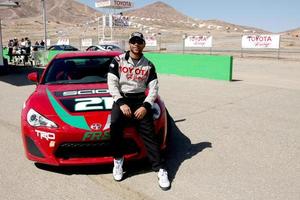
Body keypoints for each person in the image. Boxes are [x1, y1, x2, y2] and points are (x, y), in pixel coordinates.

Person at [107, 32, 170, 190]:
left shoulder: (149, 65)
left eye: (139, 42)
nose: (136, 44)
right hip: (122, 100)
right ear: (129, 44)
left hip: (140, 101)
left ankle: (160, 169)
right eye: (133, 41)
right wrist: (120, 102)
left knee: (149, 134)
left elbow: (154, 89)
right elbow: (112, 83)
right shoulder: (118, 61)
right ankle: (118, 161)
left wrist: (145, 106)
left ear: (143, 45)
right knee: (114, 125)